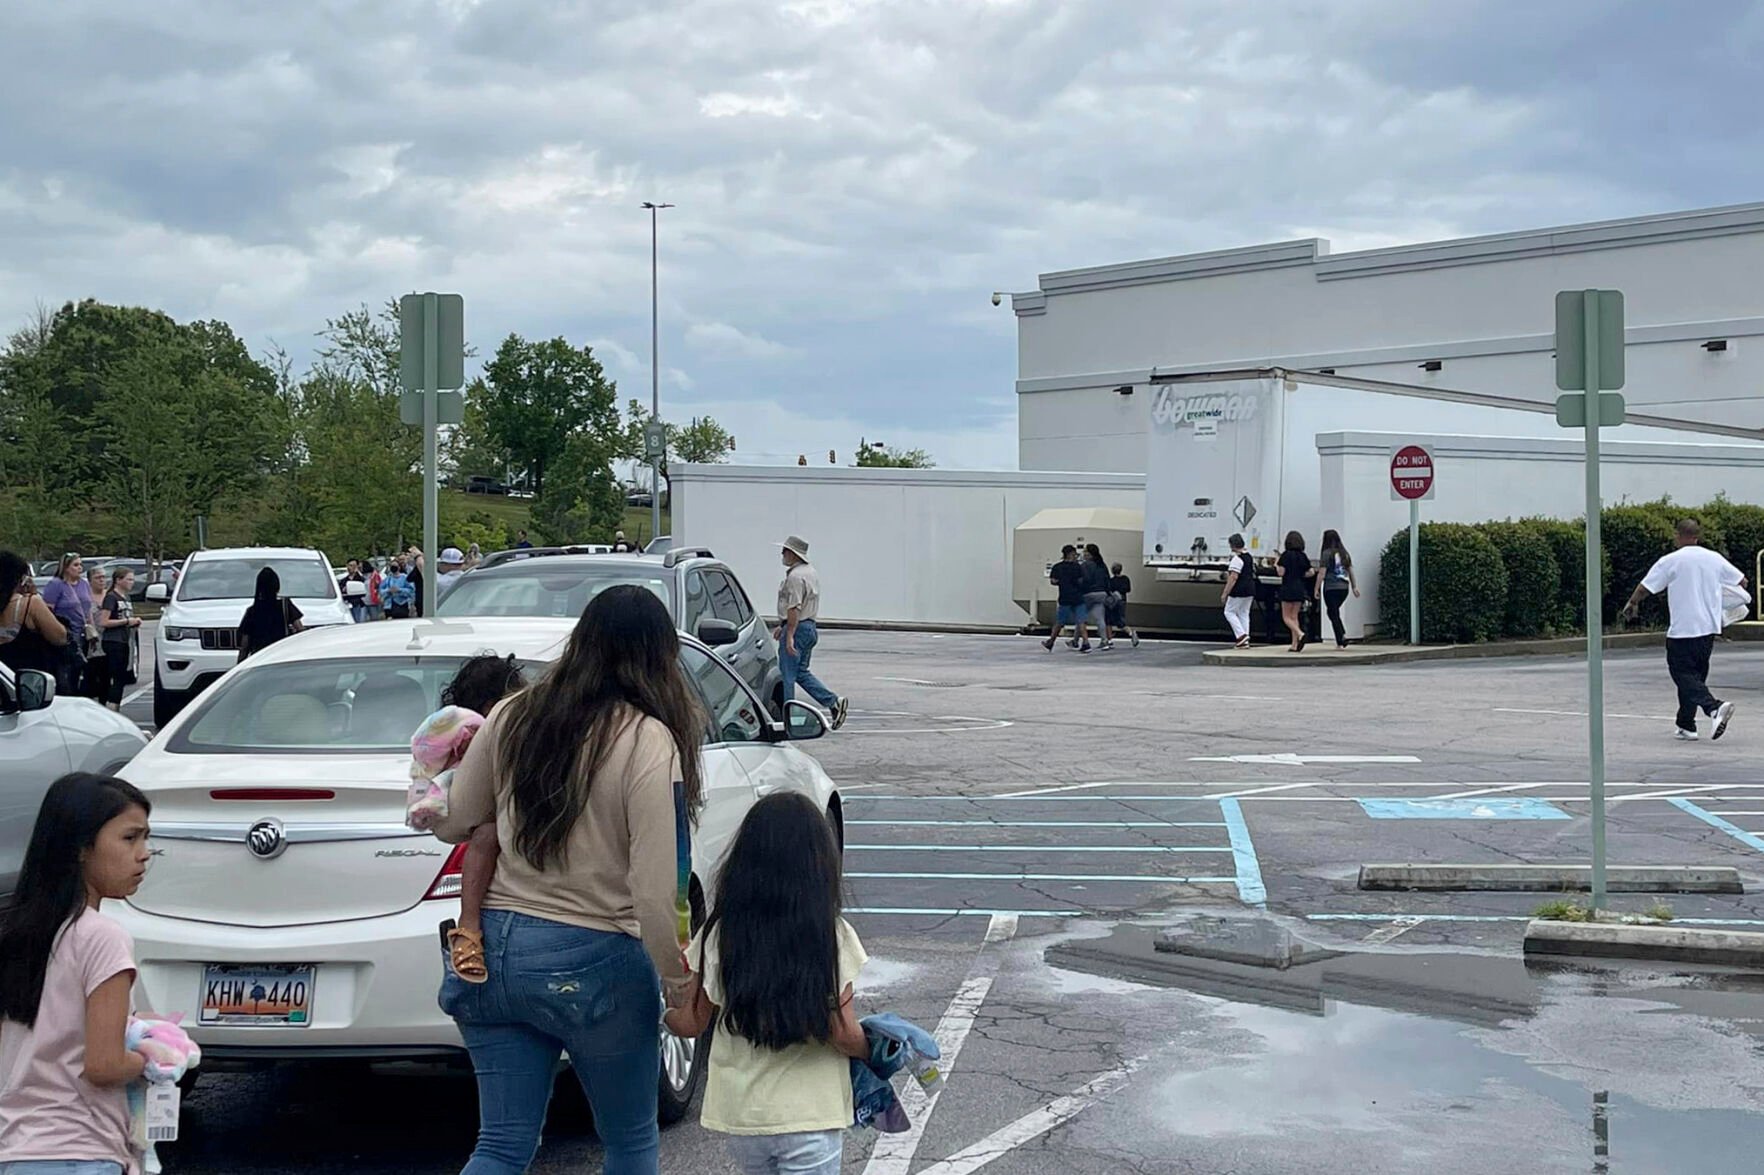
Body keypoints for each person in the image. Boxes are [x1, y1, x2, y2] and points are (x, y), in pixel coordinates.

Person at [432, 585, 708, 1175]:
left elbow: (454, 821)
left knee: (501, 1146)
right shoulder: (647, 740)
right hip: (599, 958)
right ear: (659, 658)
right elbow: (659, 894)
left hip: (497, 952)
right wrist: (680, 989)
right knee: (630, 1143)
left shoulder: (512, 715)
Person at [664, 793, 869, 1174]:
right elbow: (842, 1032)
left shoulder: (718, 936)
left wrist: (663, 1013)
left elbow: (691, 1023)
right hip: (810, 1118)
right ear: (819, 865)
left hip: (746, 1121)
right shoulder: (831, 935)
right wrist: (873, 1049)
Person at [0, 772, 156, 1175]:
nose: (145, 853)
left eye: (146, 838)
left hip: (14, 1149)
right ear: (81, 847)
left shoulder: (16, 934)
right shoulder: (103, 937)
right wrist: (151, 1056)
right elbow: (103, 1065)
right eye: (129, 838)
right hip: (81, 1149)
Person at [404, 654, 529, 985]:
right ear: (493, 706)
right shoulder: (470, 729)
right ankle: (468, 924)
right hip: (478, 816)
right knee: (486, 837)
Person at [1622, 519, 1744, 742]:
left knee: (1682, 674)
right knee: (1694, 677)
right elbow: (1742, 581)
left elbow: (1645, 587)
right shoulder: (1713, 558)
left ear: (1678, 536)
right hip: (1708, 628)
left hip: (1683, 629)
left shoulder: (1671, 560)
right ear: (1697, 536)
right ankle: (1686, 725)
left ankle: (1714, 708)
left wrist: (1632, 604)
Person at [775, 536, 849, 729]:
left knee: (787, 676)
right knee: (800, 672)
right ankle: (833, 701)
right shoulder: (810, 572)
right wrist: (783, 625)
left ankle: (787, 719)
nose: (782, 554)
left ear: (792, 554)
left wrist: (789, 634)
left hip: (797, 628)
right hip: (809, 627)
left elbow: (794, 607)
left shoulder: (795, 577)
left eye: (784, 551)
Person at [0, 552, 68, 675]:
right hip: (29, 680)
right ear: (18, 578)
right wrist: (35, 594)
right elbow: (60, 638)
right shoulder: (30, 603)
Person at [41, 555, 92, 696]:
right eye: (75, 565)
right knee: (66, 673)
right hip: (66, 635)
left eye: (80, 565)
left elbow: (88, 608)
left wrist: (92, 629)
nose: (79, 568)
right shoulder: (56, 585)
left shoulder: (84, 584)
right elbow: (48, 610)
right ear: (65, 567)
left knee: (81, 671)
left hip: (82, 633)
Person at [96, 570, 140, 712]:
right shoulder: (111, 598)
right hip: (113, 641)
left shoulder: (125, 598)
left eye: (132, 580)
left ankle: (115, 706)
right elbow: (104, 621)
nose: (131, 583)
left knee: (121, 677)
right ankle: (111, 707)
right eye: (128, 579)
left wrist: (133, 623)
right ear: (118, 580)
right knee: (115, 677)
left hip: (124, 640)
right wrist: (127, 621)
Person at [236, 567, 304, 661]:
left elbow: (245, 645)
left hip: (260, 658)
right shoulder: (285, 605)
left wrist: (239, 665)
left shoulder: (252, 611)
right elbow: (300, 629)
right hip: (282, 655)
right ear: (277, 586)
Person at [1315, 530, 1361, 650]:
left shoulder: (1326, 553)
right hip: (1344, 588)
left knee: (1332, 612)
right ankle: (1340, 639)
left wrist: (1316, 588)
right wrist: (1354, 586)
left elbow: (1322, 573)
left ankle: (1341, 637)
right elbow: (1350, 570)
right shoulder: (1344, 553)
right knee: (1333, 612)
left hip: (1331, 587)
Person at [1041, 545, 1089, 653]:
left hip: (1064, 597)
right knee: (1081, 621)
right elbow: (1082, 580)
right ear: (1071, 554)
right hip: (1078, 597)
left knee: (1059, 622)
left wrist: (1062, 582)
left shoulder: (1057, 567)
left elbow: (1053, 581)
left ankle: (1051, 642)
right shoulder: (1077, 567)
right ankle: (1086, 642)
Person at [1220, 534, 1257, 649]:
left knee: (1229, 612)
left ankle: (1241, 636)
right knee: (1244, 613)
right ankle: (1245, 639)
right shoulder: (1249, 557)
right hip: (1250, 589)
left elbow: (1233, 577)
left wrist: (1225, 593)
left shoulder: (1237, 559)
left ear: (1233, 545)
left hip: (1239, 590)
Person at [1277, 531, 1312, 653]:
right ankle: (1294, 644)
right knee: (1294, 616)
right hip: (1299, 587)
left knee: (1286, 617)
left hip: (1287, 587)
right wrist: (1301, 574)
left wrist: (1277, 563)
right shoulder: (1303, 556)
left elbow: (1281, 572)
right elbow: (1311, 572)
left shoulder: (1285, 556)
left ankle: (1300, 634)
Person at [83, 566, 111, 703]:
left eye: (103, 577)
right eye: (97, 578)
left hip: (109, 642)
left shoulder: (110, 596)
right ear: (89, 580)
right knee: (91, 677)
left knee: (106, 678)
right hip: (92, 644)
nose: (101, 580)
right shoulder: (86, 598)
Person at [1079, 543, 1113, 651]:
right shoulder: (1102, 565)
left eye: (1085, 552)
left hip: (1089, 593)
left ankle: (1076, 640)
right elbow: (1108, 579)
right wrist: (1108, 593)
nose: (1083, 554)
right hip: (1102, 593)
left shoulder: (1085, 565)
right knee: (1100, 618)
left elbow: (1084, 580)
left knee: (1080, 617)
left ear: (1090, 554)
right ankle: (1104, 641)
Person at [1107, 561, 1140, 649]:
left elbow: (1109, 591)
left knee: (1108, 620)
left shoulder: (1111, 581)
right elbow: (1128, 589)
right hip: (1122, 601)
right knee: (1120, 620)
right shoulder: (1125, 579)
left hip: (1113, 602)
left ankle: (1109, 640)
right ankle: (1130, 632)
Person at [339, 559, 369, 623]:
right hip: (348, 604)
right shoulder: (343, 580)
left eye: (353, 566)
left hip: (359, 604)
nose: (350, 568)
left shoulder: (361, 579)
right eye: (349, 565)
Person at [406, 547, 426, 618]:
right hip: (418, 597)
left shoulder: (421, 569)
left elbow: (410, 578)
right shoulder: (414, 568)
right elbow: (409, 579)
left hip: (422, 596)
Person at [364, 557, 386, 622]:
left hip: (373, 601)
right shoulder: (361, 577)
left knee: (375, 619)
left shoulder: (375, 576)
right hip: (364, 602)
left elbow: (379, 586)